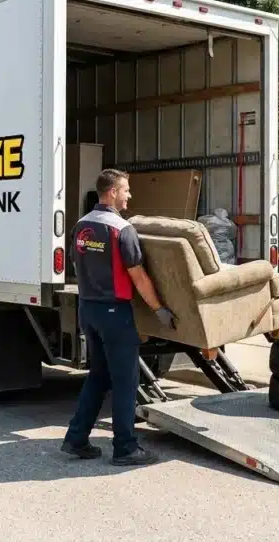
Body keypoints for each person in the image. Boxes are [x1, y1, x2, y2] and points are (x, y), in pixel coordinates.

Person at [61, 168, 178, 465]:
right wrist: (159, 310)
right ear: (112, 192)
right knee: (126, 381)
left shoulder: (81, 226)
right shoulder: (121, 229)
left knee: (99, 376)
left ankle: (76, 439)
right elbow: (138, 277)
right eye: (125, 190)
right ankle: (125, 448)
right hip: (114, 313)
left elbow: (78, 265)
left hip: (87, 309)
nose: (129, 195)